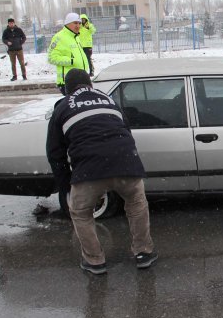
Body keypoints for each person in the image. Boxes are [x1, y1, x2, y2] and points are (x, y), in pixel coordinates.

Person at [46, 68, 157, 275]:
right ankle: (143, 252)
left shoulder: (63, 107)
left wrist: (66, 186)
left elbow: (55, 152)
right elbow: (126, 130)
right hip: (126, 163)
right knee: (137, 205)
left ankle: (95, 261)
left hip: (89, 169)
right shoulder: (108, 99)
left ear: (67, 90)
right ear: (90, 85)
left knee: (80, 212)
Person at [48, 12, 90, 95]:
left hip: (82, 79)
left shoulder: (76, 37)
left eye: (79, 23)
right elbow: (51, 57)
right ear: (67, 24)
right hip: (69, 82)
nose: (78, 26)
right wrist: (70, 61)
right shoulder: (59, 37)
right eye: (75, 23)